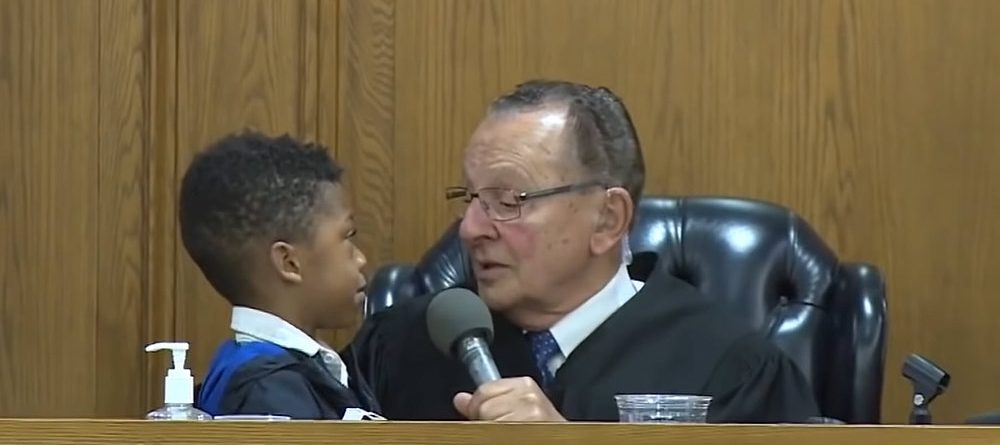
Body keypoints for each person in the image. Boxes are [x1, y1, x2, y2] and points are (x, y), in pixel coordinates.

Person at [347, 80, 821, 422]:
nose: (470, 229)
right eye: (469, 198)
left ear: (608, 219)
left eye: (508, 201)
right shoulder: (403, 346)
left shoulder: (731, 371)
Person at [180, 131, 380, 419]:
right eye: (348, 236)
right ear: (289, 262)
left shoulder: (297, 371)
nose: (360, 259)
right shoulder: (267, 393)